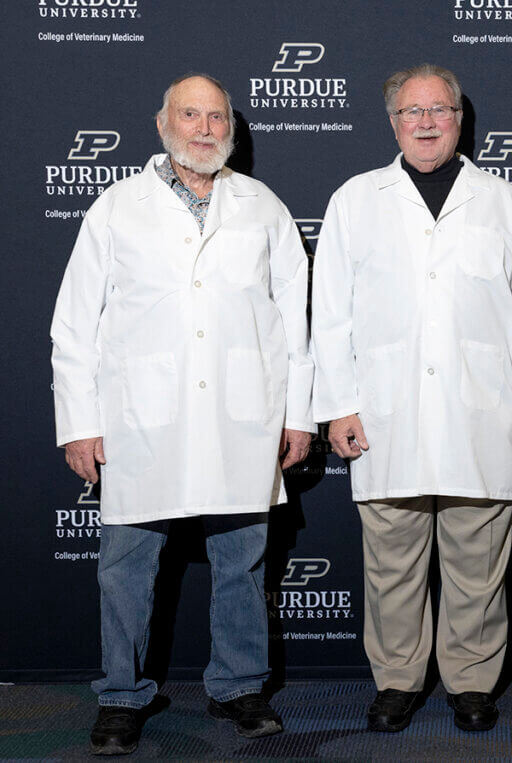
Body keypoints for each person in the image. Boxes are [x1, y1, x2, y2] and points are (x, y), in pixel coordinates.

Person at [51, 73, 314, 756]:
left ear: (232, 127)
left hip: (241, 416)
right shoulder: (116, 207)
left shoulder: (262, 207)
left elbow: (297, 323)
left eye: (216, 117)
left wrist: (300, 415)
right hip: (143, 418)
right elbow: (75, 323)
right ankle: (120, 693)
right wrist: (78, 420)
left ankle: (239, 686)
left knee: (243, 564)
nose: (204, 128)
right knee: (126, 568)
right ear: (163, 123)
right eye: (190, 115)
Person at [311, 63, 512, 733]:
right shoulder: (356, 199)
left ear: (460, 118)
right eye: (412, 111)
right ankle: (397, 679)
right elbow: (329, 313)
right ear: (392, 122)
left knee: (478, 563)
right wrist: (337, 402)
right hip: (384, 414)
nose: (426, 122)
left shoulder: (502, 200)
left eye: (439, 110)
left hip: (480, 413)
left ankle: (472, 680)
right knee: (392, 563)